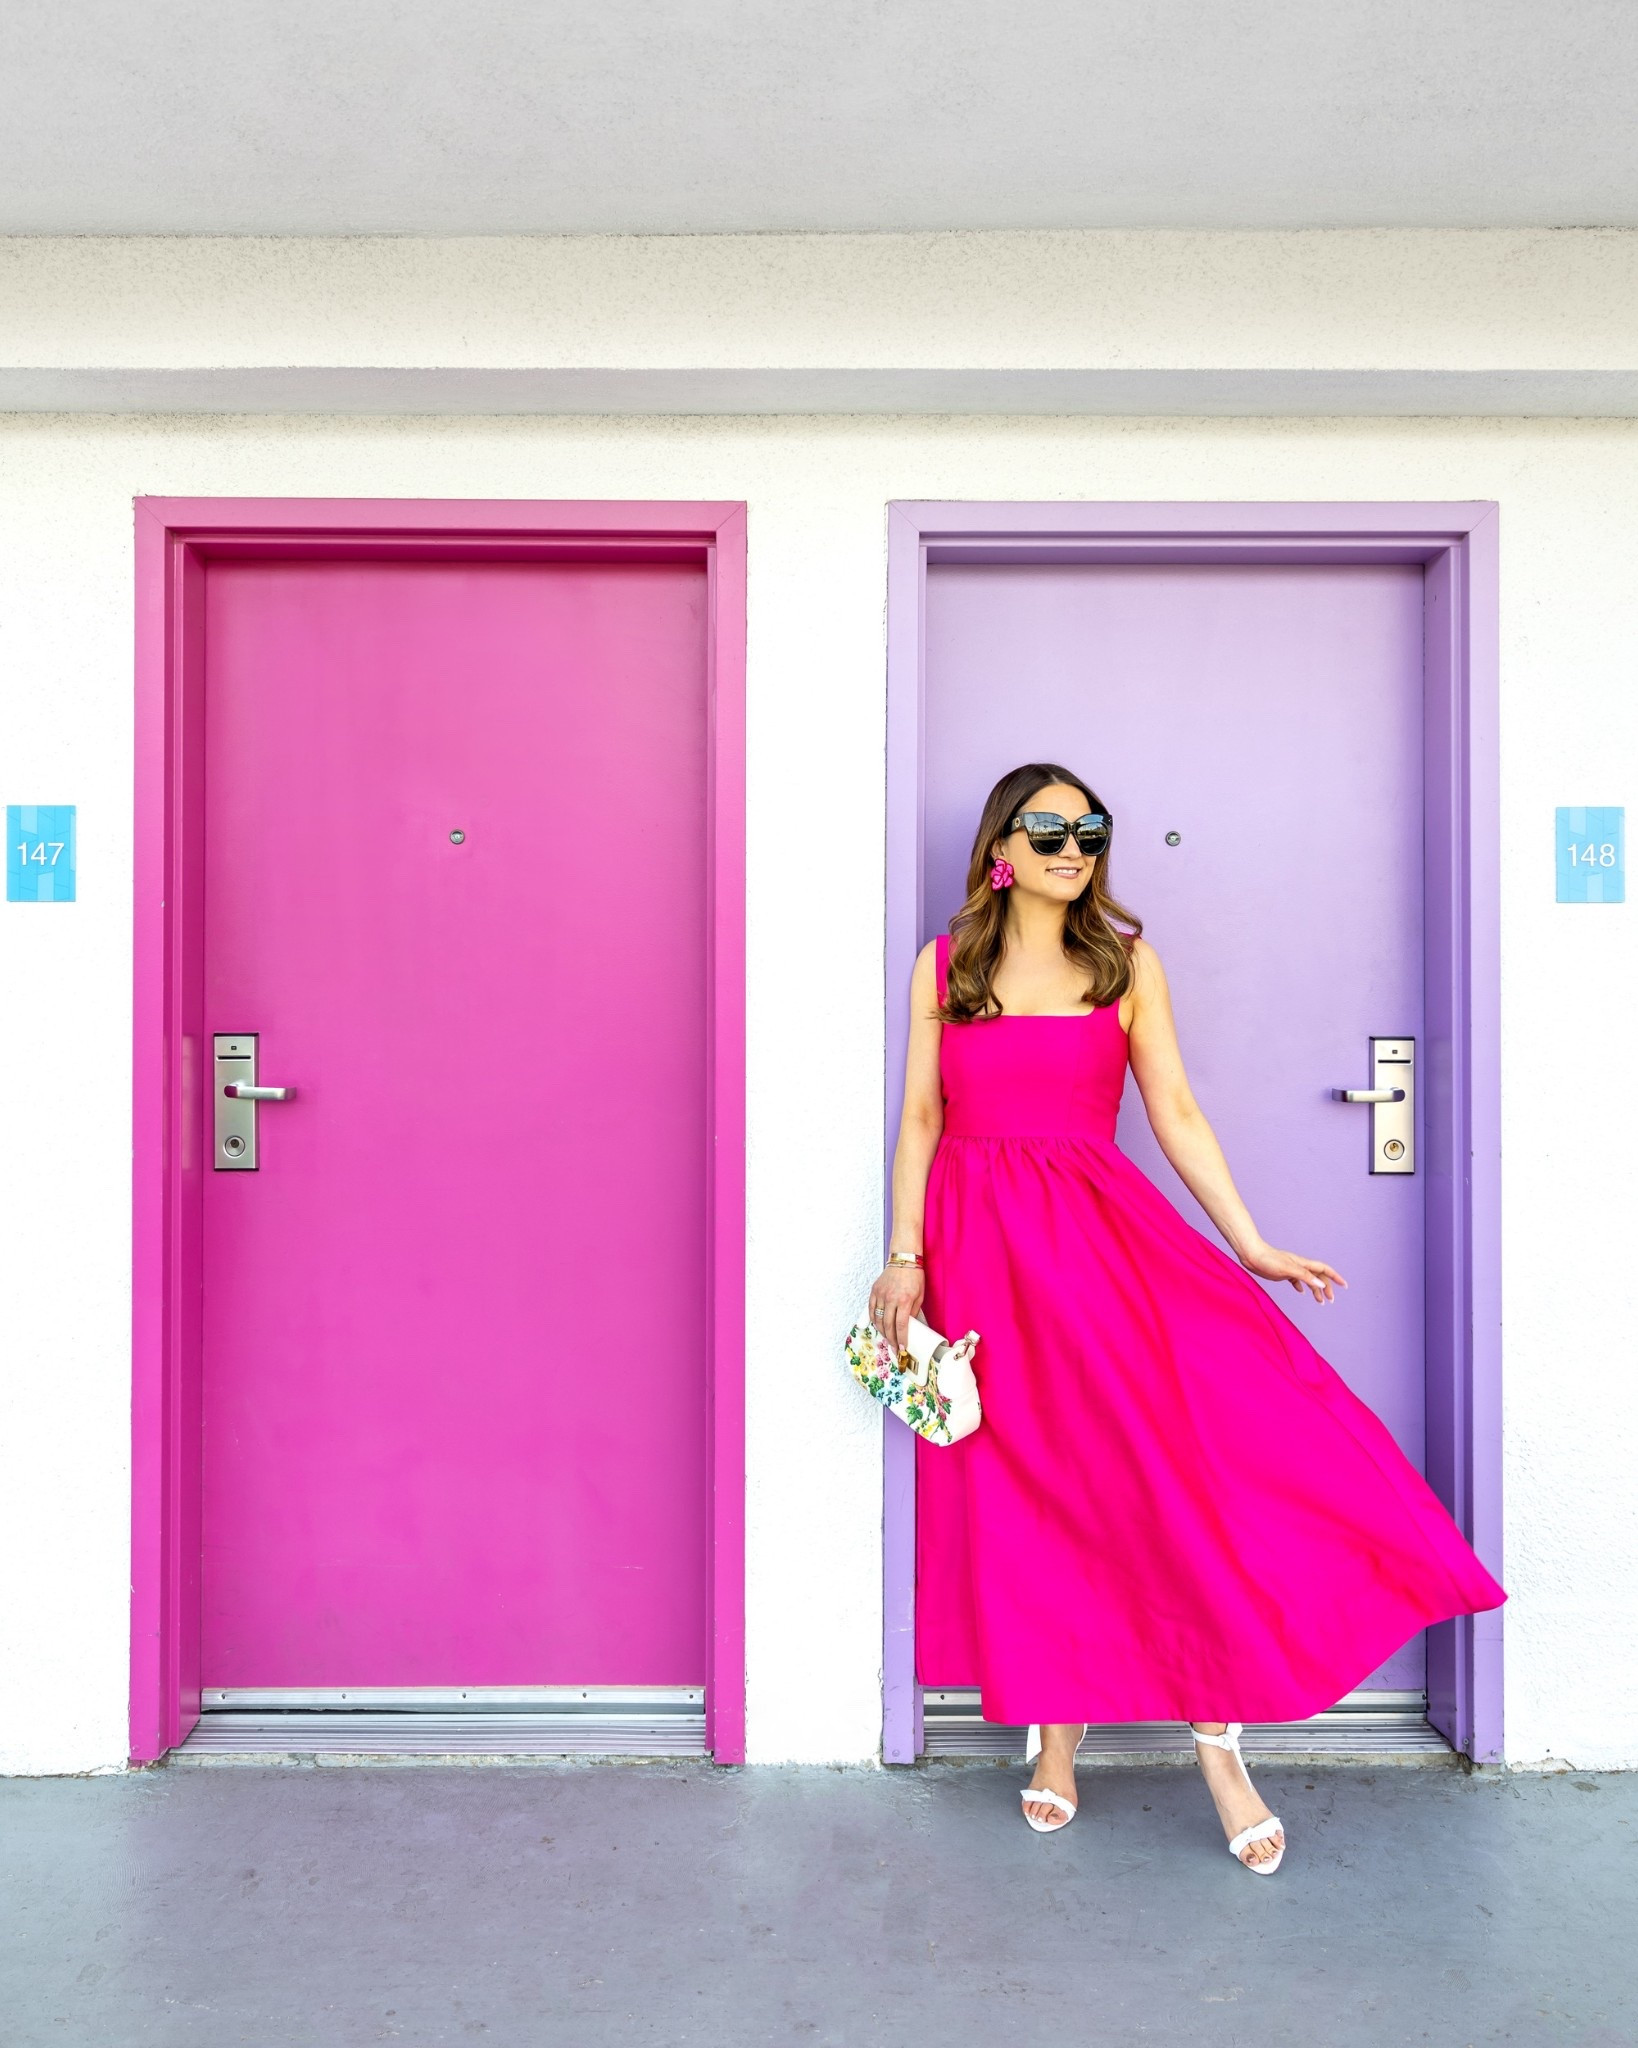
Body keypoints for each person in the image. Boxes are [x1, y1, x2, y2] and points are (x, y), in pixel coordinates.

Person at [870, 762, 1505, 1873]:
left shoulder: (1125, 963)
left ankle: (1219, 1736)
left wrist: (1249, 1241)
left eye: (1090, 830)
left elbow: (1173, 1110)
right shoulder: (946, 964)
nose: (1075, 847)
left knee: (1159, 1477)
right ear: (1002, 847)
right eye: (1051, 828)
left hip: (1098, 1248)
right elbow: (923, 1114)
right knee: (1033, 1486)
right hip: (980, 1256)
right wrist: (904, 1255)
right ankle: (1056, 1725)